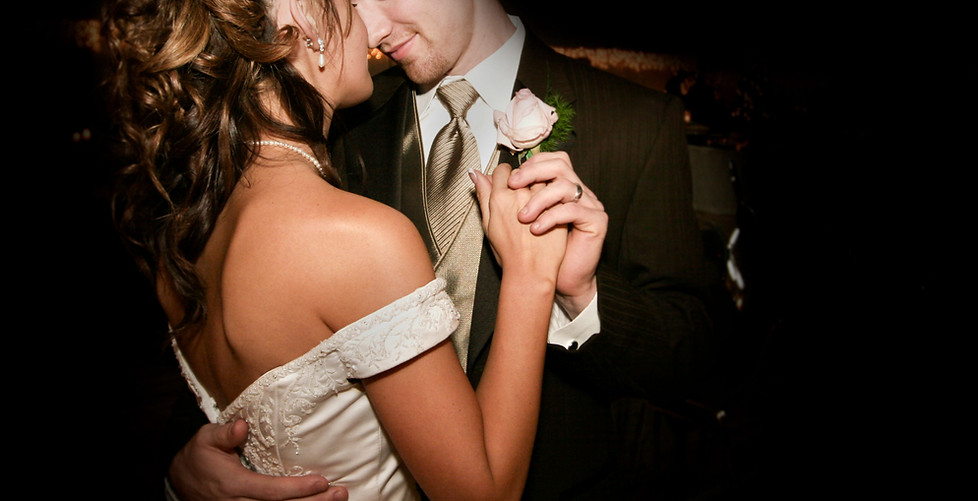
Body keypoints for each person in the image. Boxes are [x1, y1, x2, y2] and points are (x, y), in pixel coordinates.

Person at [164, 0, 720, 499]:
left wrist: (582, 295)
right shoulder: (335, 120)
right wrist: (191, 467)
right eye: (351, 1)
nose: (372, 29)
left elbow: (692, 359)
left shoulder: (637, 122)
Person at [103, 0, 572, 499]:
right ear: (304, 23)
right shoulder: (357, 239)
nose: (369, 24)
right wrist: (530, 274)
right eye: (349, 2)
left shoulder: (180, 240)